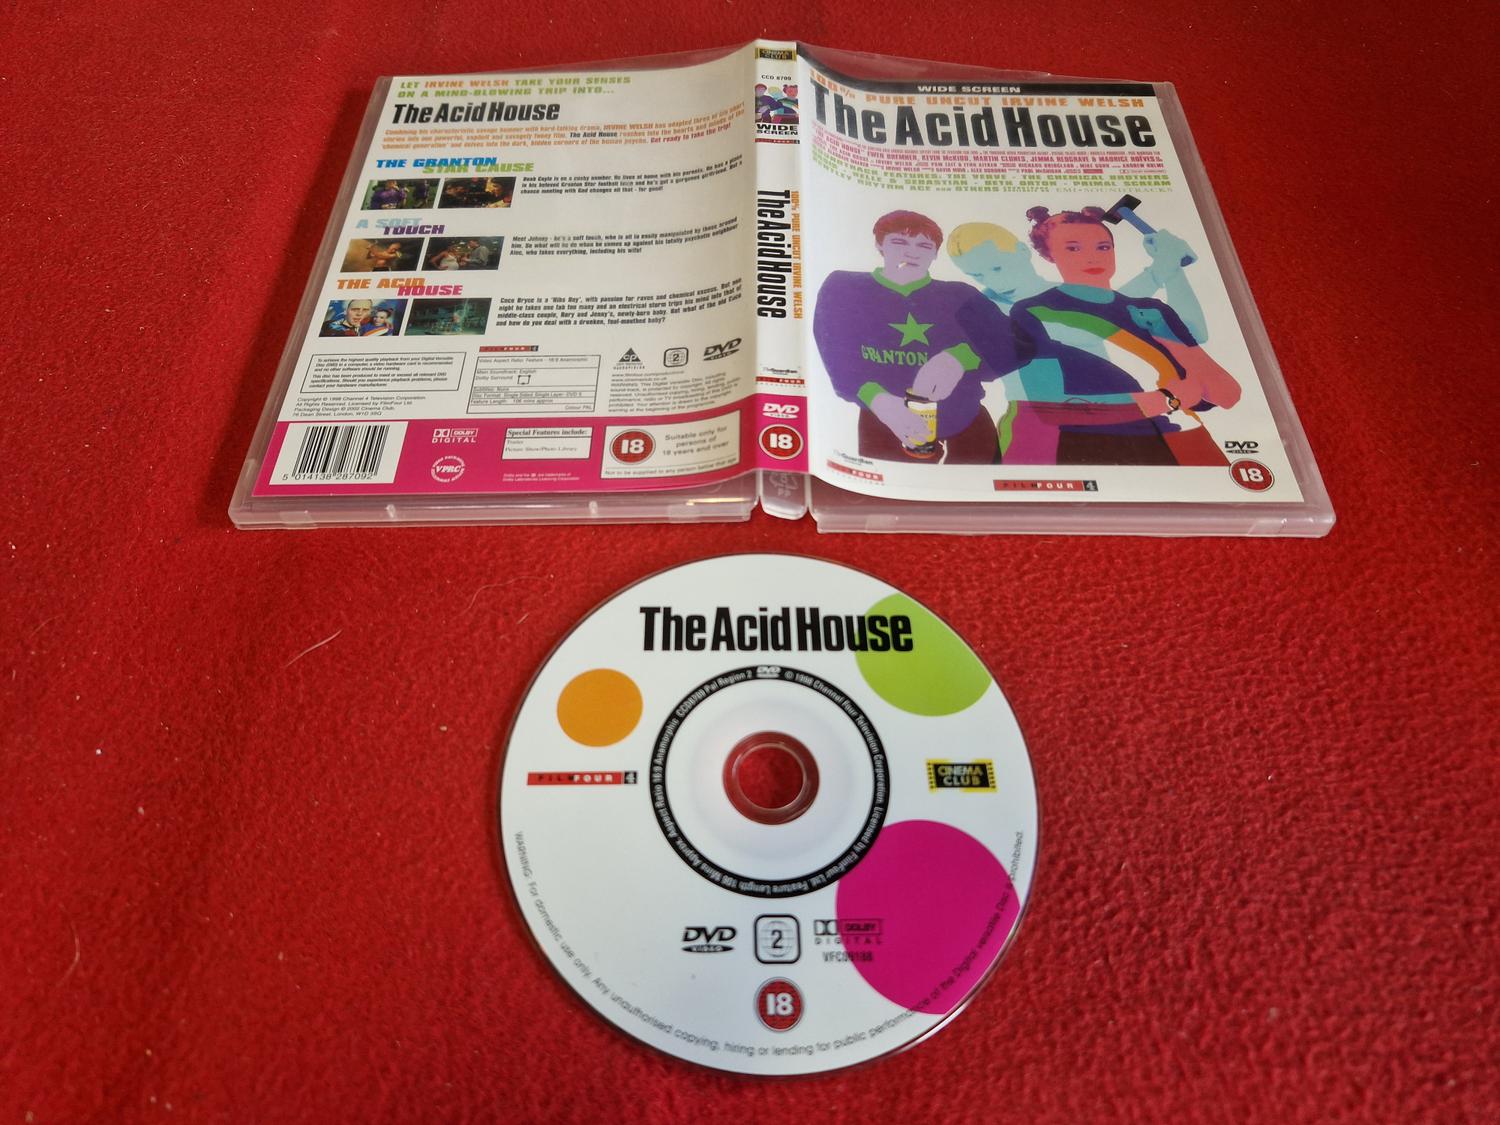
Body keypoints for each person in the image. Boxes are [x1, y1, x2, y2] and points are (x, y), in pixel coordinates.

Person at [1003, 206, 1240, 466]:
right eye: (1073, 248)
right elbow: (1050, 407)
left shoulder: (1152, 310)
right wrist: (1166, 400)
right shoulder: (1035, 311)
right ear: (1049, 255)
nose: (1092, 258)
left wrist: (1168, 334)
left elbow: (1226, 394)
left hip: (1187, 439)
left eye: (1103, 247)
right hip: (1102, 447)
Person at [812, 210, 1025, 464]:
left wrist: (961, 358)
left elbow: (1019, 343)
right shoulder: (845, 288)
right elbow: (836, 354)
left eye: (924, 245)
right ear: (879, 245)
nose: (912, 253)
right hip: (884, 423)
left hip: (966, 423)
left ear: (935, 253)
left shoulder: (960, 295)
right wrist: (877, 400)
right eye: (899, 242)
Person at [947, 219, 1206, 340]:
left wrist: (1172, 267)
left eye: (997, 268)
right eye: (977, 275)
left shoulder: (1066, 293)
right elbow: (1095, 324)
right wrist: (1161, 268)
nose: (996, 283)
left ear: (1022, 252)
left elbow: (1193, 333)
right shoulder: (987, 309)